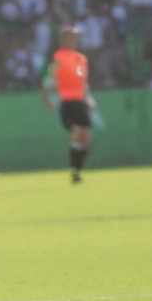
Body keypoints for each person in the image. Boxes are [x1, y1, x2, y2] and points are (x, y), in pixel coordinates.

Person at [41, 26, 95, 183]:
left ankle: (76, 170)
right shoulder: (58, 60)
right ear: (63, 40)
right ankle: (74, 170)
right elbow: (47, 83)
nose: (73, 41)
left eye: (75, 37)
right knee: (78, 132)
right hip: (68, 103)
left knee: (86, 138)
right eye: (70, 37)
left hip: (80, 102)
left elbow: (83, 82)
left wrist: (90, 100)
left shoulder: (80, 59)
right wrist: (48, 101)